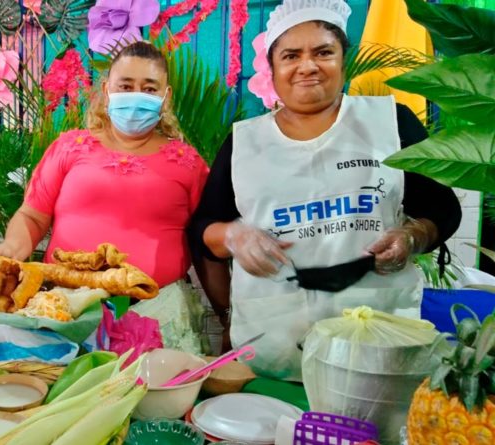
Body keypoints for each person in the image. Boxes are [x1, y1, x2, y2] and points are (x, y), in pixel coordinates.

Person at [188, 0, 462, 381]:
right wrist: (233, 237)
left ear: (343, 62)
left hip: (375, 336)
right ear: (273, 68)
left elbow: (443, 208)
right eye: (291, 55)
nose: (307, 66)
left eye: (323, 52)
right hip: (274, 343)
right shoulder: (244, 143)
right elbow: (203, 228)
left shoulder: (389, 122)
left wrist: (413, 237)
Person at [0, 41, 211, 352]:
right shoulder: (70, 147)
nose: (136, 95)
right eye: (125, 85)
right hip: (62, 310)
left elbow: (205, 239)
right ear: (107, 89)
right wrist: (14, 246)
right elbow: (32, 214)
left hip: (158, 315)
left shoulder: (188, 163)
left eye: (149, 88)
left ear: (166, 98)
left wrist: (226, 311)